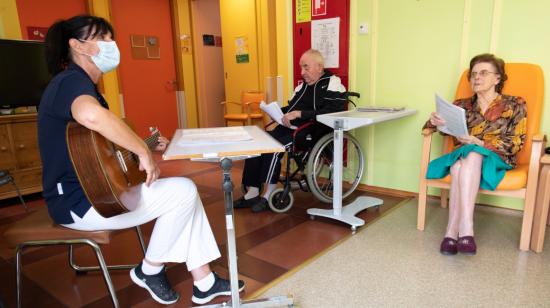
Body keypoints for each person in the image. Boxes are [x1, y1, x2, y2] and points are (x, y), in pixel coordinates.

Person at [38, 15, 244, 305]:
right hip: (79, 204)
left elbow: (99, 156)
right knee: (184, 191)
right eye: (104, 39)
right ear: (78, 46)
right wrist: (144, 151)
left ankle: (204, 281)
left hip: (93, 193)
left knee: (186, 195)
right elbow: (90, 115)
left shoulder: (84, 85)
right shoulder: (70, 81)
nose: (112, 45)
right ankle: (149, 270)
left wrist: (142, 147)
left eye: (112, 38)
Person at [423, 53, 527, 255]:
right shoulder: (461, 105)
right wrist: (434, 121)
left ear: (498, 78)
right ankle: (462, 233)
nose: (476, 78)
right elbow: (434, 128)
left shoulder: (515, 104)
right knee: (463, 161)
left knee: (466, 158)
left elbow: (517, 141)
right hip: (464, 156)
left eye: (483, 73)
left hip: (497, 159)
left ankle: (456, 230)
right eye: (473, 74)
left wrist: (480, 142)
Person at [234, 49, 347, 212]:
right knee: (258, 144)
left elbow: (333, 111)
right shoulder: (302, 87)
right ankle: (252, 192)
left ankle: (269, 193)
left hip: (311, 131)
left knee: (274, 148)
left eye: (306, 67)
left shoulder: (332, 83)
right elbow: (291, 107)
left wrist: (301, 113)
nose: (302, 72)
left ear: (319, 67)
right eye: (301, 68)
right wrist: (275, 111)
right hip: (290, 127)